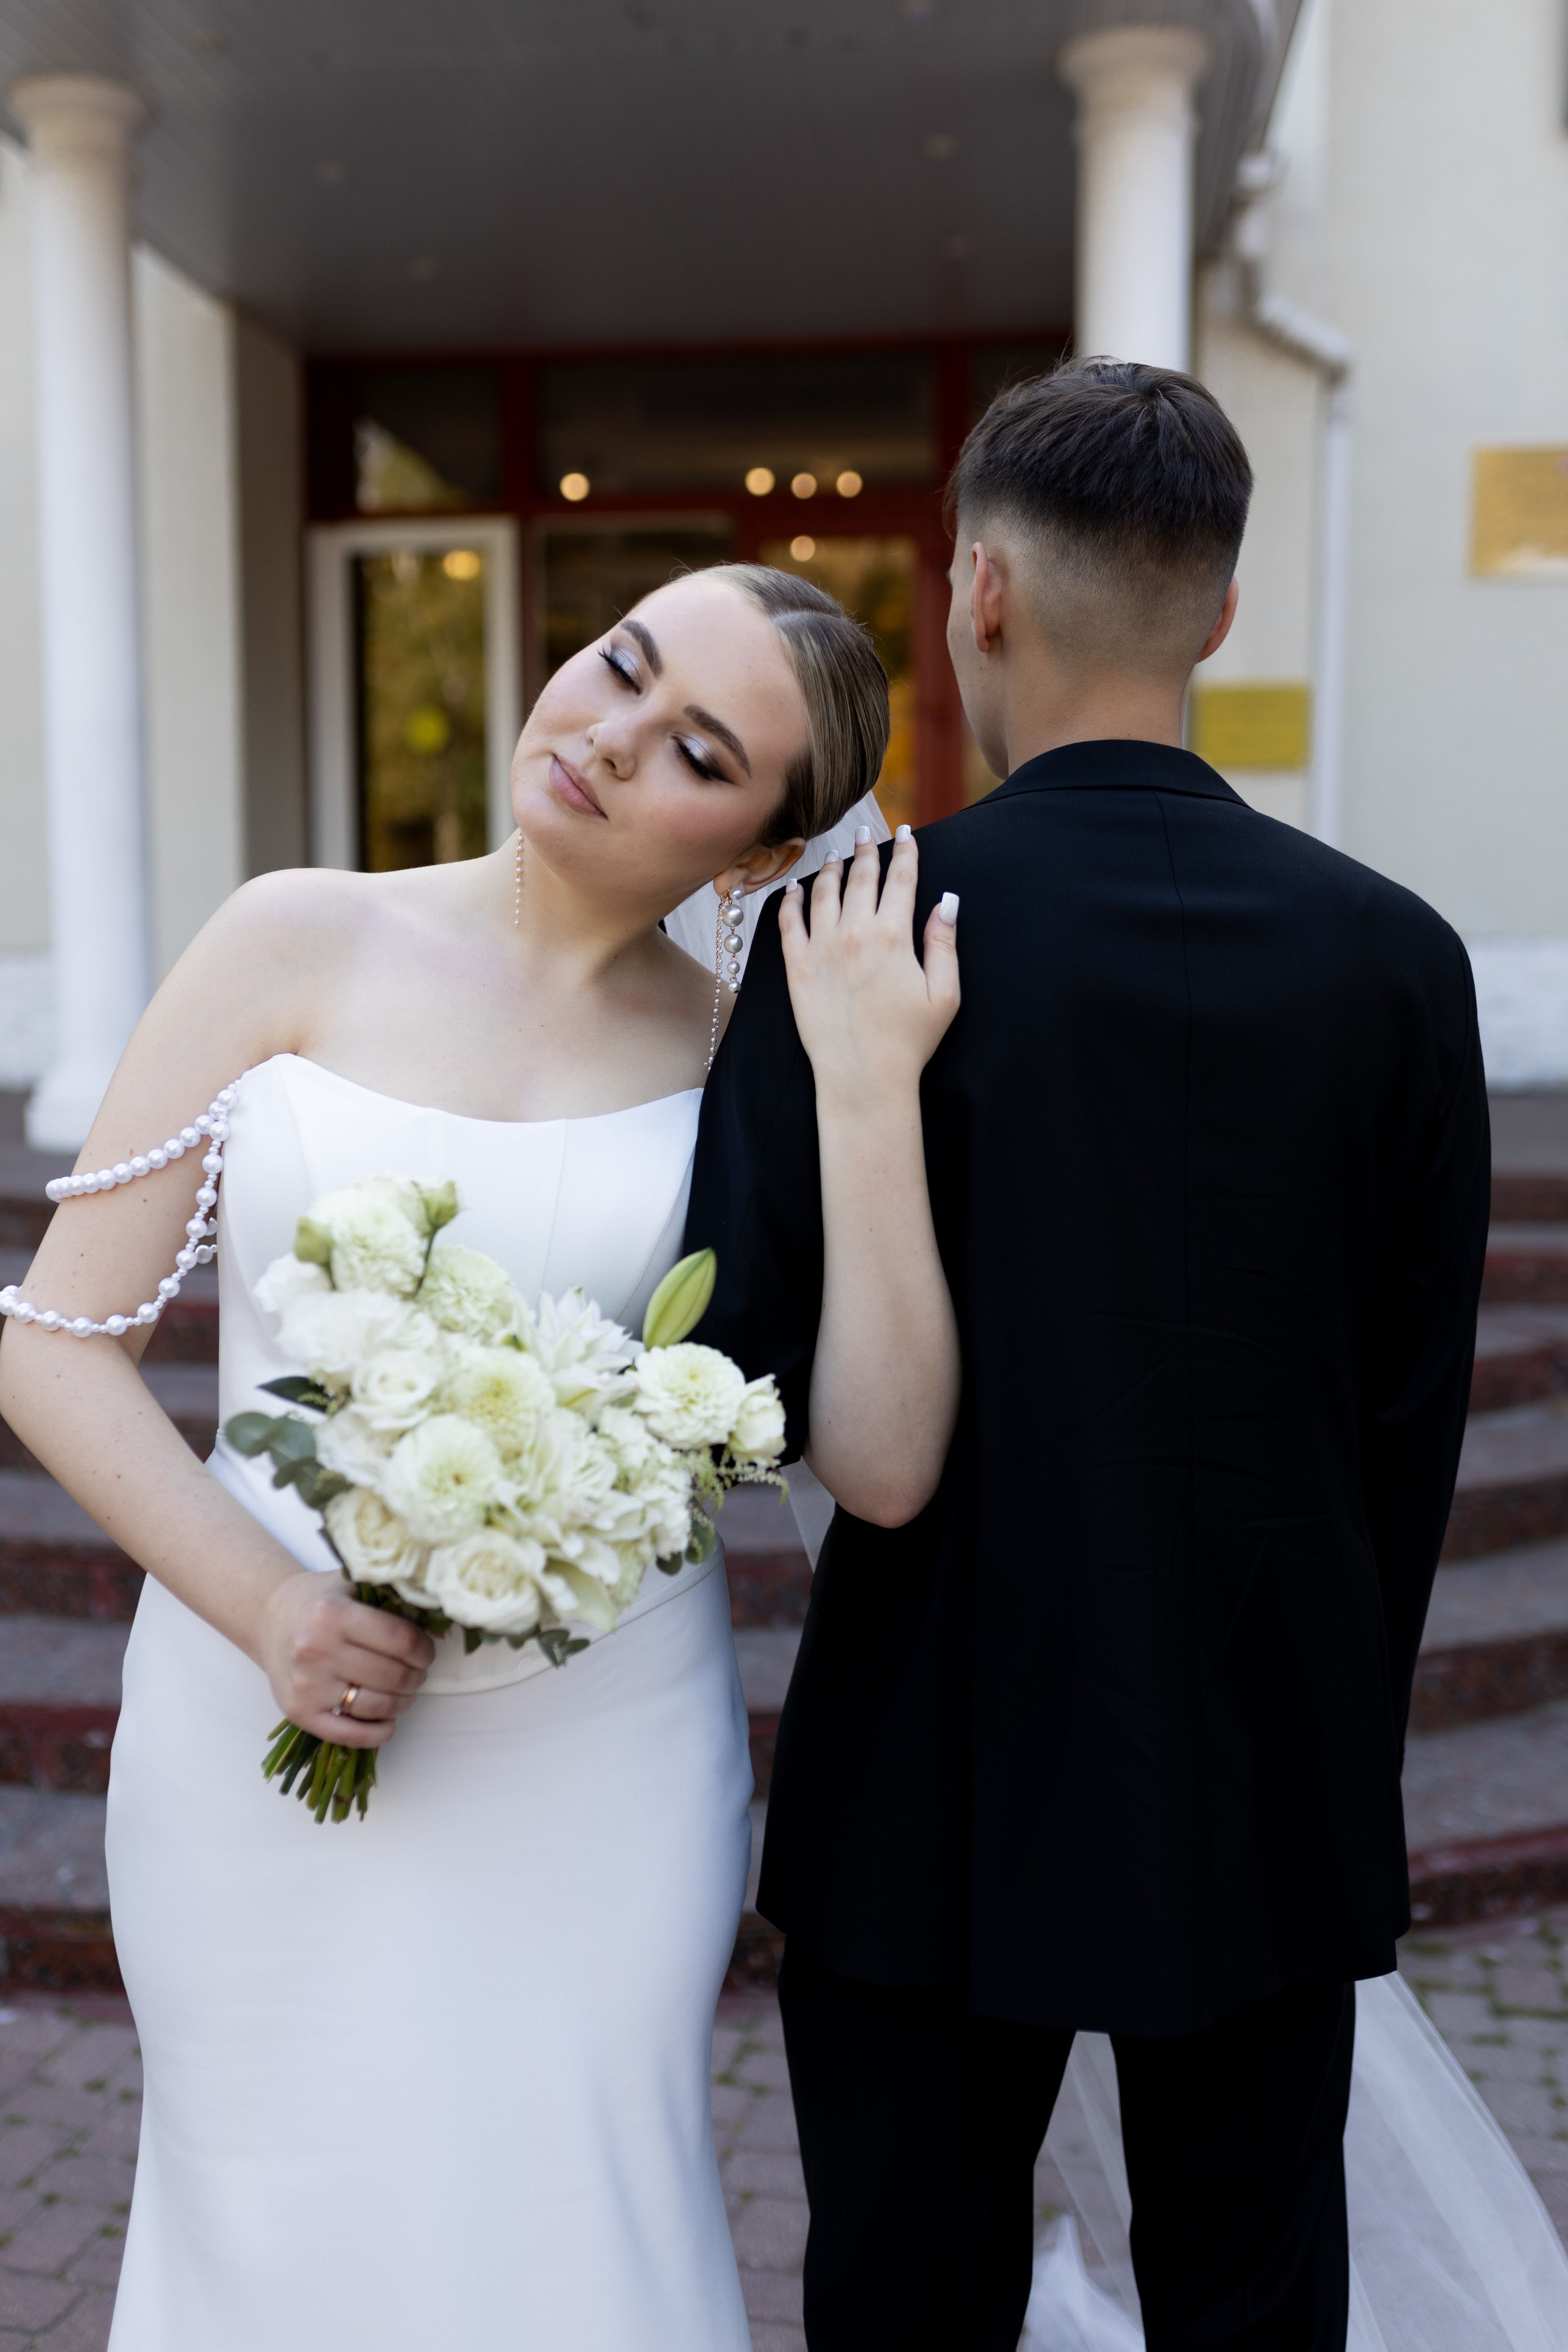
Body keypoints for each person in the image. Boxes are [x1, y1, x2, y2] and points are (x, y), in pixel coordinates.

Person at [0, 563, 960, 2352]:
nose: (601, 737)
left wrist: (870, 1091)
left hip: (598, 1764)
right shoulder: (292, 935)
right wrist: (273, 1606)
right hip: (253, 1738)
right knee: (271, 2225)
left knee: (572, 2226)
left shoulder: (748, 1059)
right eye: (620, 665)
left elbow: (879, 1462)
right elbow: (55, 1350)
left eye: (693, 749)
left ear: (758, 847)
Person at [686, 360, 1502, 2351]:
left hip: (928, 1766)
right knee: (1253, 2298)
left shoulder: (856, 928)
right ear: (1220, 615)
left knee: (903, 2299)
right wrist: (1321, 1724)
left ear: (975, 592)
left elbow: (734, 1373)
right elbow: (1413, 1419)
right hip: (1266, 1753)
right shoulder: (1402, 960)